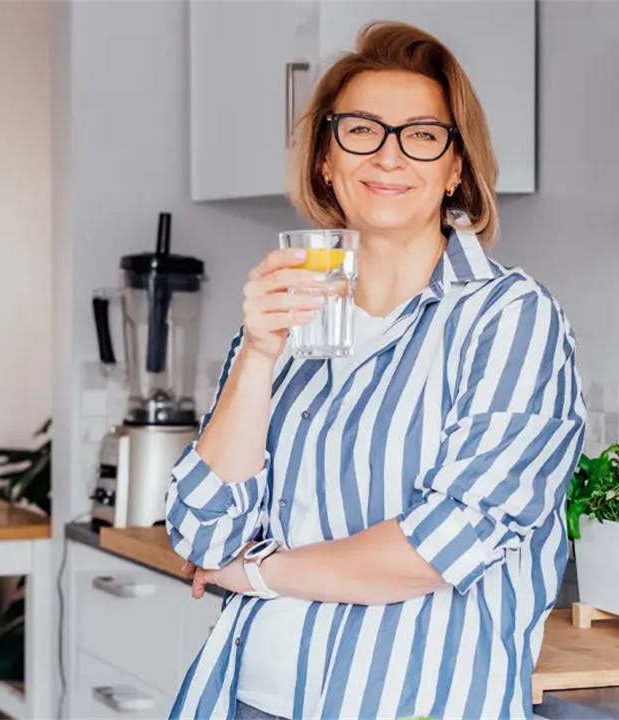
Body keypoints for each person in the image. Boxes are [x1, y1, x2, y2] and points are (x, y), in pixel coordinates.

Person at [165, 20, 585, 720]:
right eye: (361, 129)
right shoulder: (286, 319)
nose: (389, 156)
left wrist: (260, 573)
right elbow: (202, 534)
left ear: (456, 167)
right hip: (245, 700)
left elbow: (441, 547)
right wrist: (259, 352)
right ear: (326, 158)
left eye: (422, 134)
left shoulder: (509, 319)